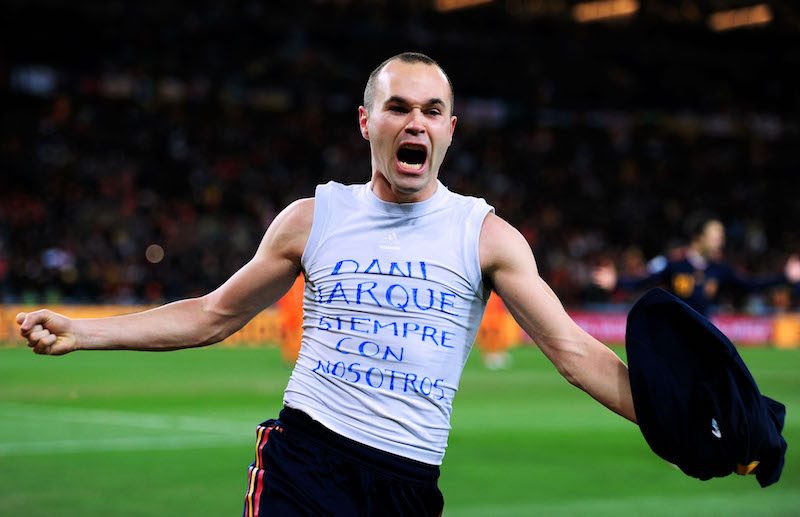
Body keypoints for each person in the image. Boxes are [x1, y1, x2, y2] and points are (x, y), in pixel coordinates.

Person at [17, 52, 636, 516]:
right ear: (366, 122)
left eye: (431, 111)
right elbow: (212, 314)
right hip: (304, 464)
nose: (415, 123)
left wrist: (682, 426)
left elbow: (575, 353)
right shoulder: (313, 218)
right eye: (397, 108)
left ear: (451, 128)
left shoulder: (486, 236)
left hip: (408, 483)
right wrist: (83, 331)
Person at [593, 215, 800, 316]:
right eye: (716, 235)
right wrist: (616, 282)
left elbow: (751, 284)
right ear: (699, 238)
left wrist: (784, 277)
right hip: (675, 334)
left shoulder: (720, 269)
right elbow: (643, 280)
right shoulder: (674, 263)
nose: (721, 240)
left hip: (704, 336)